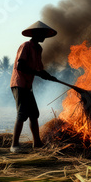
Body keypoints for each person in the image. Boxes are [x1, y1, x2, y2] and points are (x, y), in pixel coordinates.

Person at [10, 21, 57, 153]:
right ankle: (14, 145)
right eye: (42, 34)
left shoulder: (38, 49)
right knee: (22, 114)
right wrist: (38, 73)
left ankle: (37, 143)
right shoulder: (25, 46)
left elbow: (39, 69)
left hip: (28, 85)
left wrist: (49, 76)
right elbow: (20, 66)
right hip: (19, 83)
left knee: (34, 114)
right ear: (36, 34)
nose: (44, 37)